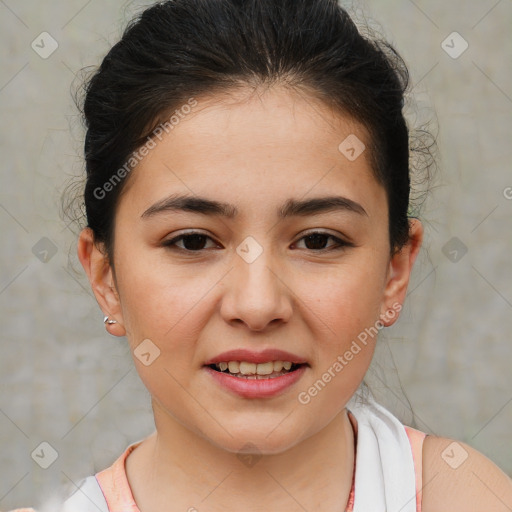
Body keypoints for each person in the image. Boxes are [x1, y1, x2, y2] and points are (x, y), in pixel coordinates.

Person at [9, 0, 512, 510]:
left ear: (395, 271)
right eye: (192, 241)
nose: (256, 305)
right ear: (106, 278)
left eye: (318, 240)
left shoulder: (467, 496)